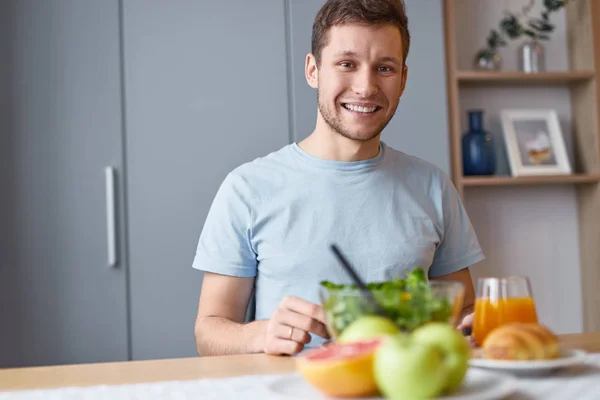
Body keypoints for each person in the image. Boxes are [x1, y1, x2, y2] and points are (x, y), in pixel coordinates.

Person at [192, 0, 484, 357]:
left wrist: (474, 327)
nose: (365, 86)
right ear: (313, 70)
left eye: (385, 68)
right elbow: (209, 331)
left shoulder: (433, 187)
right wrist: (258, 335)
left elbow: (462, 313)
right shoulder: (247, 189)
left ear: (403, 80)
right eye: (347, 64)